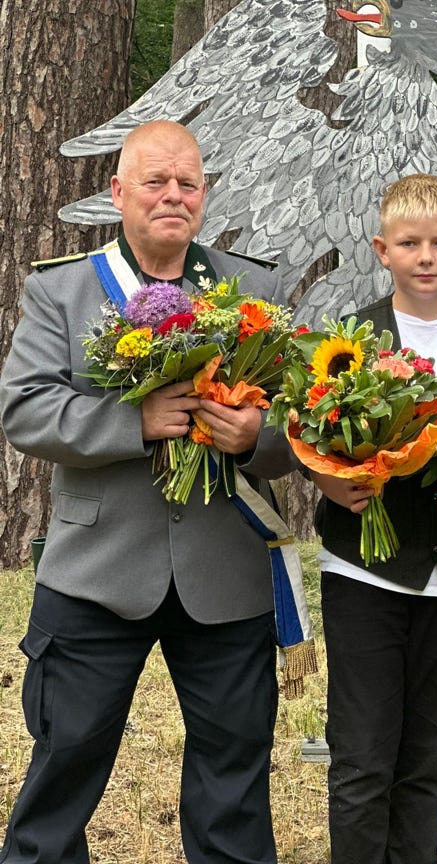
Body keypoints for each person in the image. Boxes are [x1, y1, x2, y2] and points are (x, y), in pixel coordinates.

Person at [0, 120, 296, 864]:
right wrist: (134, 422)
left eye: (187, 183)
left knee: (233, 783)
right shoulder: (61, 289)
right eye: (156, 181)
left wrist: (255, 434)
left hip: (225, 572)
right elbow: (25, 409)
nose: (173, 195)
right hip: (98, 570)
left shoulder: (252, 288)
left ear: (205, 195)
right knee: (63, 770)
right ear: (118, 192)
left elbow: (303, 417)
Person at [309, 173, 437, 864]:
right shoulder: (351, 341)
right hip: (365, 570)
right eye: (409, 243)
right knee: (363, 757)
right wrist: (334, 482)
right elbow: (306, 435)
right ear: (382, 249)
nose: (424, 256)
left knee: (427, 759)